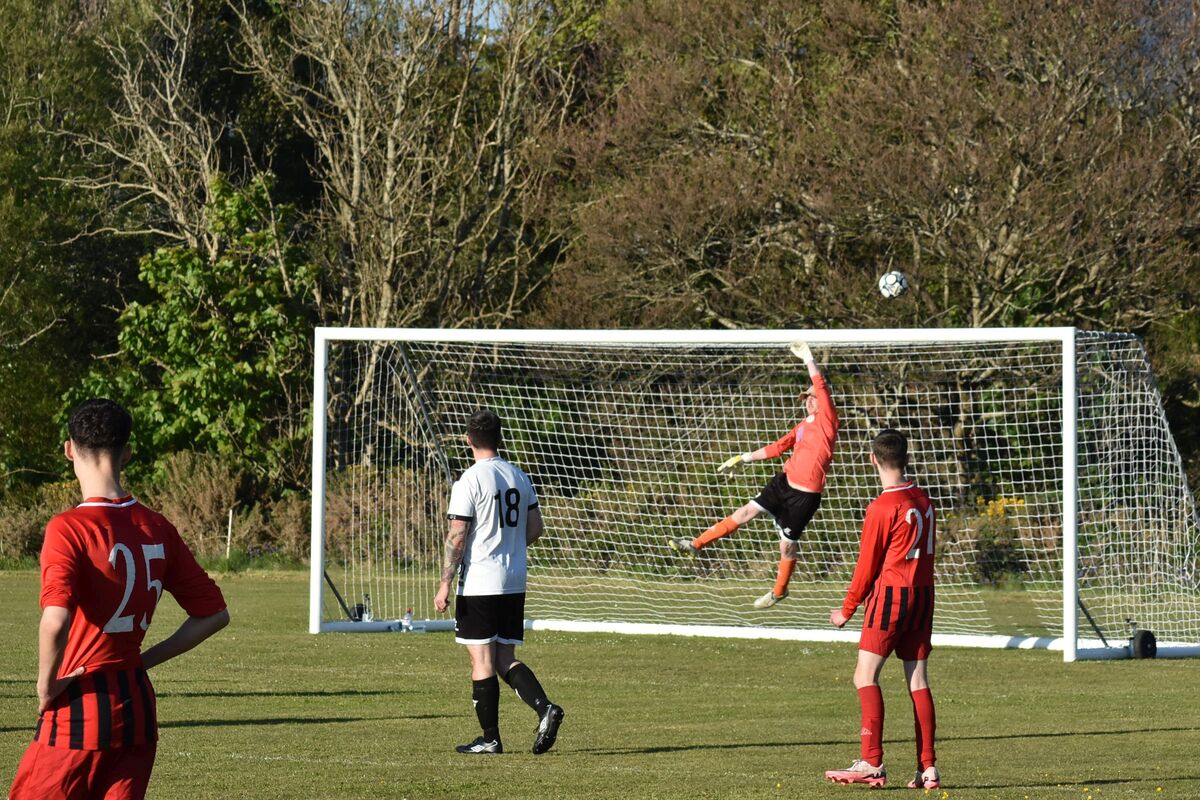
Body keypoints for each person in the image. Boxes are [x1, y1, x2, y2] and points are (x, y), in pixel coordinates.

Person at [8, 398, 230, 800]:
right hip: (137, 710)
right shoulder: (157, 526)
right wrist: (142, 661)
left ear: (69, 449)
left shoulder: (68, 528)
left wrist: (45, 687)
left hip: (79, 707)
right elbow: (214, 615)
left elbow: (55, 619)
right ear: (126, 452)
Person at [669, 340, 839, 609]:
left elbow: (819, 385)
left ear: (823, 399)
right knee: (744, 513)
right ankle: (695, 544)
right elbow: (779, 447)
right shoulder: (803, 425)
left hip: (804, 498)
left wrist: (808, 358)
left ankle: (779, 591)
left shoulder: (828, 420)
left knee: (786, 548)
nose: (808, 401)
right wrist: (743, 458)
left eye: (812, 397)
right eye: (805, 398)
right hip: (782, 484)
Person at [434, 408, 565, 756]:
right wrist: (509, 547)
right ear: (500, 438)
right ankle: (545, 708)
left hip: (480, 581)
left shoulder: (470, 480)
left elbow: (457, 536)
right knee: (505, 655)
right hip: (514, 579)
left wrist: (445, 583)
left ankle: (490, 738)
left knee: (481, 659)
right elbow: (535, 528)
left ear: (468, 440)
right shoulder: (519, 476)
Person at [824, 429, 939, 790]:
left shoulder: (881, 507)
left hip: (891, 596)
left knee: (864, 676)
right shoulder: (923, 498)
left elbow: (866, 566)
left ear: (873, 459)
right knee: (917, 681)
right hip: (923, 595)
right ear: (905, 459)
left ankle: (871, 762)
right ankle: (928, 768)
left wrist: (847, 609)